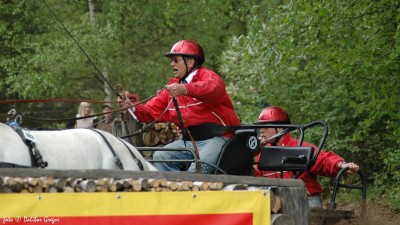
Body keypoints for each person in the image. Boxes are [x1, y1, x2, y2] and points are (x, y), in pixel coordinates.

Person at [118, 40, 241, 174]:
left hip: (217, 139)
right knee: (161, 156)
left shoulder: (208, 76)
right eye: (172, 61)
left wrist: (185, 89)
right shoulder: (172, 88)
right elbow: (150, 111)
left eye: (176, 60)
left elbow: (214, 89)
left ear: (190, 62)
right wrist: (131, 107)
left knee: (199, 169)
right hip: (188, 142)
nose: (172, 64)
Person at [253, 105, 360, 208]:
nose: (261, 130)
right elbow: (256, 178)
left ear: (280, 128)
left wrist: (341, 164)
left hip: (306, 198)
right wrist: (251, 154)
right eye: (260, 126)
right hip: (276, 201)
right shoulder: (262, 153)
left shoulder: (299, 147)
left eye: (266, 126)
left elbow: (323, 159)